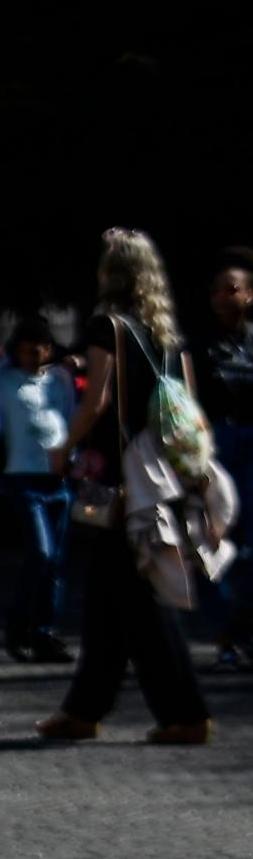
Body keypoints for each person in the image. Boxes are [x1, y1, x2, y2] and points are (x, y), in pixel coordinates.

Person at [38, 230, 215, 744]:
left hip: (120, 480)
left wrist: (63, 449)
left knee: (139, 598)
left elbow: (97, 401)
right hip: (161, 476)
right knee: (108, 599)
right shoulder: (170, 337)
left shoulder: (106, 327)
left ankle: (186, 713)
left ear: (110, 273)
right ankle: (83, 709)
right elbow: (188, 411)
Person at [0, 314, 76, 663]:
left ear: (48, 350)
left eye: (38, 351)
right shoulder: (3, 379)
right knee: (42, 552)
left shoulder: (60, 379)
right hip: (22, 476)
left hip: (58, 478)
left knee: (57, 562)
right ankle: (18, 625)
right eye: (24, 352)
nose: (31, 359)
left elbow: (70, 415)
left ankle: (45, 631)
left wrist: (73, 458)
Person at [193, 252, 253, 664]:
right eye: (216, 290)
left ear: (249, 295)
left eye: (231, 289)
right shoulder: (198, 345)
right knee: (213, 540)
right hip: (215, 444)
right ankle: (225, 634)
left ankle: (244, 630)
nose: (221, 297)